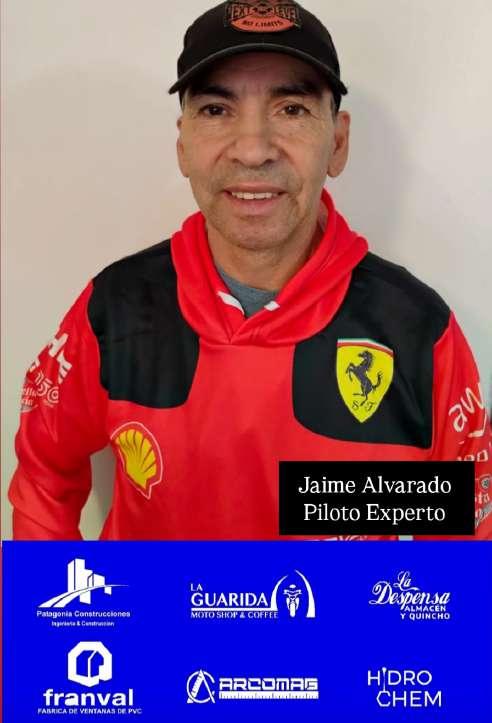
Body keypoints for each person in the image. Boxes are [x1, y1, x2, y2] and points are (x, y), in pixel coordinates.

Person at [9, 0, 492, 540]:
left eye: (292, 109)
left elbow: (464, 553)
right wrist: (68, 597)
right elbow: (44, 473)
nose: (254, 150)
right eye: (217, 110)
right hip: (148, 603)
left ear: (337, 143)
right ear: (183, 145)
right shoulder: (114, 310)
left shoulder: (419, 334)